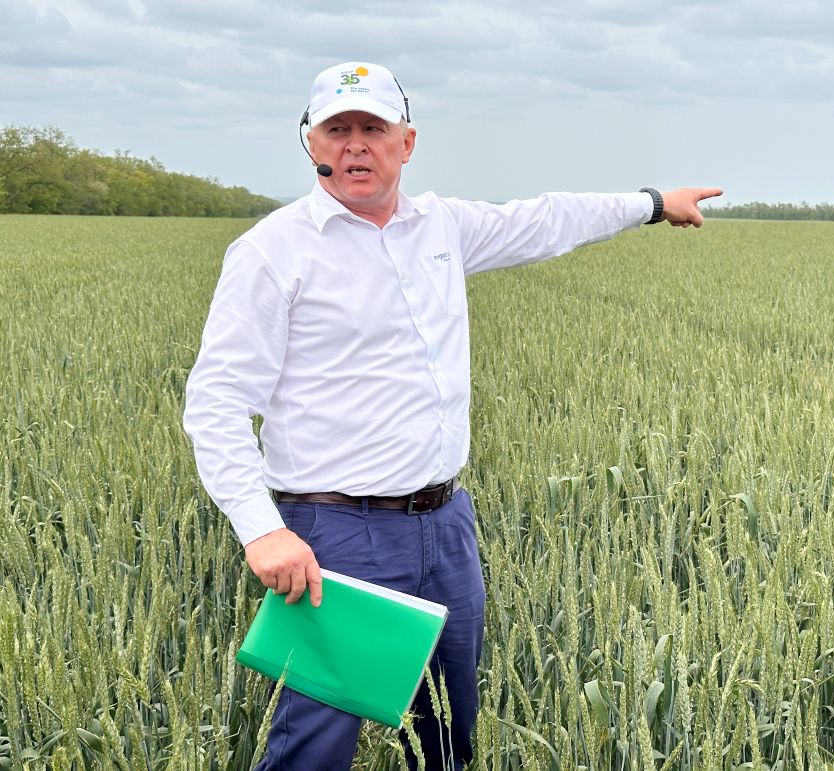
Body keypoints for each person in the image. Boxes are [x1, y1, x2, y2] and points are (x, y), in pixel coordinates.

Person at [183, 59, 722, 770]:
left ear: (406, 142)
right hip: (333, 536)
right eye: (337, 130)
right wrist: (261, 530)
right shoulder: (273, 250)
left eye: (373, 128)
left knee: (445, 734)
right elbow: (218, 400)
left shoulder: (441, 226)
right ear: (311, 143)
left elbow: (547, 219)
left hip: (444, 528)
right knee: (314, 746)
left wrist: (653, 202)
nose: (355, 145)